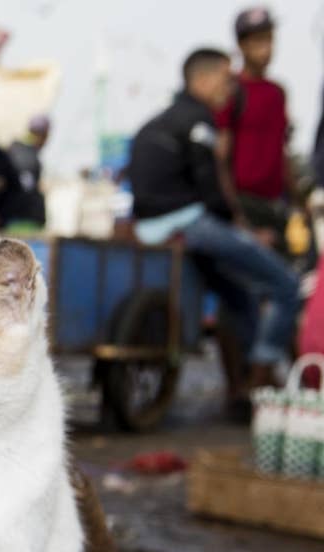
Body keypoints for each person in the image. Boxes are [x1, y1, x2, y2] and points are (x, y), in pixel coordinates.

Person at [129, 47, 301, 408]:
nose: (231, 89)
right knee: (285, 284)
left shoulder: (159, 122)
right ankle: (263, 368)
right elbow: (211, 192)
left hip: (151, 227)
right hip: (190, 222)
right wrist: (248, 232)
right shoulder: (199, 121)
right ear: (203, 80)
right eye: (225, 80)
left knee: (240, 297)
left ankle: (244, 386)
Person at [215, 7, 291, 247]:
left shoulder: (277, 92)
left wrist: (301, 202)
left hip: (275, 205)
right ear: (241, 45)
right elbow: (220, 157)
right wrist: (236, 217)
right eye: (258, 41)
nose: (266, 48)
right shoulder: (231, 91)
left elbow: (282, 151)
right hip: (244, 204)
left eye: (269, 39)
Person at [7, 114, 50, 227]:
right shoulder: (26, 156)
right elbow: (26, 189)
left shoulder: (16, 149)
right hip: (23, 221)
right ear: (43, 135)